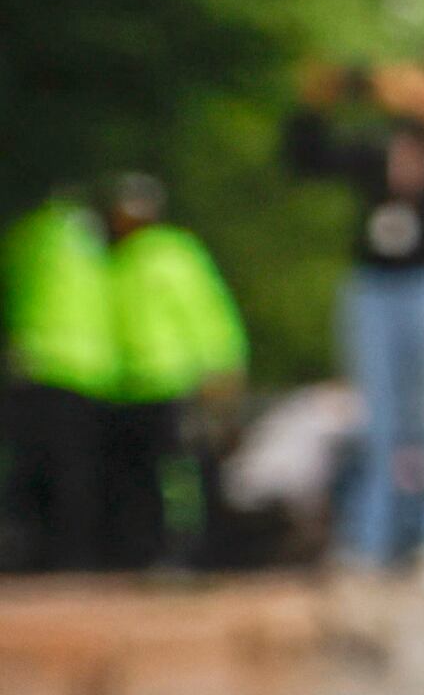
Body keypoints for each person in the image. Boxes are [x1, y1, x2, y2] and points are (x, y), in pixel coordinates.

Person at [288, 53, 424, 581]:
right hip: (376, 285)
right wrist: (315, 104)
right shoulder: (382, 145)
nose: (423, 90)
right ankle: (370, 542)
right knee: (377, 421)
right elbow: (305, 161)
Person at [95, 178, 245, 572]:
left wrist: (220, 366)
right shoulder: (115, 261)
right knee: (143, 477)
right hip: (130, 385)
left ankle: (190, 554)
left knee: (181, 478)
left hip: (175, 381)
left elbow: (207, 313)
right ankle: (150, 552)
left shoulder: (174, 253)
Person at [2, 188, 116, 575]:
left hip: (41, 366)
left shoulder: (30, 236)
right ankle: (72, 555)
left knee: (35, 468)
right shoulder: (98, 250)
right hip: (90, 372)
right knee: (73, 472)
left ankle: (43, 552)